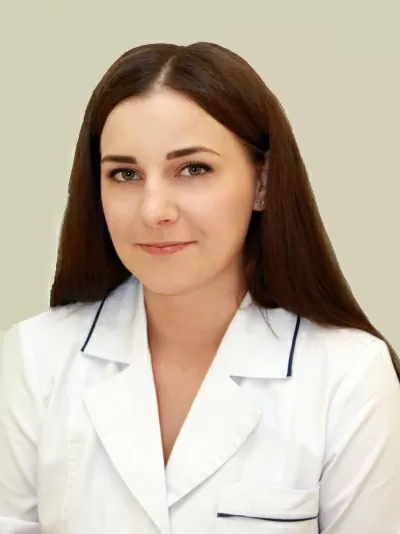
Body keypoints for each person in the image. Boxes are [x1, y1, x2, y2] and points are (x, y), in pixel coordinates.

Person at [0, 41, 399, 534]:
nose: (154, 210)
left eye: (193, 169)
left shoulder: (350, 377)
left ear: (263, 183)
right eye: (124, 174)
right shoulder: (36, 357)